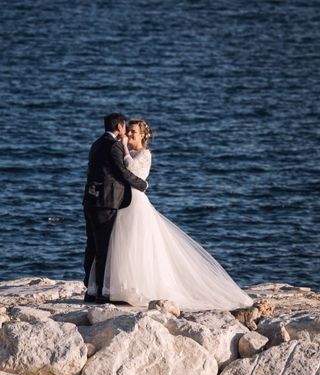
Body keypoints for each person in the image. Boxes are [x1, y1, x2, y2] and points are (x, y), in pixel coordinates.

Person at [88, 118, 253, 311]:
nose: (129, 134)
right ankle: (118, 288)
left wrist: (124, 148)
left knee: (136, 245)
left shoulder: (144, 154)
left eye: (133, 132)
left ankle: (134, 288)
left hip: (136, 203)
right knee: (121, 245)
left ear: (142, 135)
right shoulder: (124, 151)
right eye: (129, 131)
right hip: (122, 203)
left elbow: (132, 170)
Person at [83, 113, 148, 303]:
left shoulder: (96, 143)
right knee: (104, 248)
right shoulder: (114, 146)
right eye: (125, 128)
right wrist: (143, 185)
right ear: (119, 127)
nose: (126, 131)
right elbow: (123, 172)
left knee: (92, 246)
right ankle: (102, 293)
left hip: (90, 200)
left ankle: (91, 289)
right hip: (107, 202)